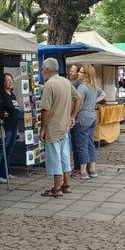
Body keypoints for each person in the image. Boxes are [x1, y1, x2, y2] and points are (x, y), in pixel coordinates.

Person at [39, 58, 82, 197]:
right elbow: (79, 98)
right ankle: (67, 185)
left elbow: (45, 110)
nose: (41, 71)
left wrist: (43, 128)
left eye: (42, 68)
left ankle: (57, 188)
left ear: (48, 69)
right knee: (64, 156)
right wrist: (72, 116)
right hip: (64, 126)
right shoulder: (66, 82)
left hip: (53, 127)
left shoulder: (49, 85)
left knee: (54, 158)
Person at [71, 63, 105, 180]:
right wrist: (94, 101)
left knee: (81, 144)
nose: (78, 73)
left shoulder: (82, 87)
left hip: (83, 117)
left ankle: (83, 170)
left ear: (85, 75)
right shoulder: (94, 86)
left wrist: (72, 116)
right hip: (92, 116)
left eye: (80, 72)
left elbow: (78, 104)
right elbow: (103, 94)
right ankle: (92, 169)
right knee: (90, 143)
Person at [0, 73, 21, 183]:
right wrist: (1, 113)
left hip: (13, 126)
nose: (10, 82)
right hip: (5, 127)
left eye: (11, 80)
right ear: (3, 82)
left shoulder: (12, 95)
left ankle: (6, 173)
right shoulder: (2, 96)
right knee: (0, 151)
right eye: (7, 80)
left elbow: (15, 110)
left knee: (8, 151)